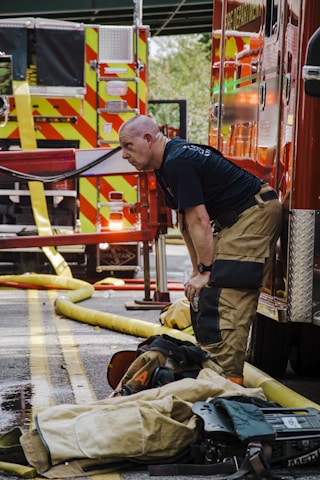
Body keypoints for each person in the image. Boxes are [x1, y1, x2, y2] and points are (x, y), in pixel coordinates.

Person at [119, 115, 282, 384]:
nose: (125, 155)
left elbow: (199, 220)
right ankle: (213, 372)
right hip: (236, 218)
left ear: (148, 139)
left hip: (253, 214)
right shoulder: (165, 164)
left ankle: (228, 385)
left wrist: (207, 271)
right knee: (208, 293)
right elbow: (185, 223)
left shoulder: (178, 161)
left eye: (127, 146)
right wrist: (198, 271)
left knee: (227, 295)